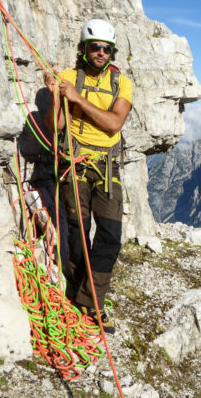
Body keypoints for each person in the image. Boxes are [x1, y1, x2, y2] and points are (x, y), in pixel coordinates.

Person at [44, 18, 132, 334]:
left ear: (112, 53)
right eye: (95, 47)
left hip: (107, 166)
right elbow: (56, 126)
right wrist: (56, 95)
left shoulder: (122, 83)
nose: (101, 53)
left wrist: (77, 99)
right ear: (84, 49)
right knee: (78, 232)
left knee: (109, 234)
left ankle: (90, 302)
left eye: (106, 49)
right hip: (75, 163)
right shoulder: (67, 78)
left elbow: (113, 124)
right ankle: (83, 300)